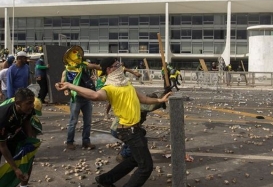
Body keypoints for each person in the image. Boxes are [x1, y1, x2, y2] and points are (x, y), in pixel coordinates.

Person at [55, 57, 172, 187]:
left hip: (135, 130)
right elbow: (95, 95)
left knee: (134, 159)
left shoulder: (127, 84)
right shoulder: (109, 88)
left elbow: (143, 99)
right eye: (116, 65)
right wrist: (70, 85)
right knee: (146, 167)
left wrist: (159, 101)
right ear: (109, 70)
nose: (120, 67)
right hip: (129, 131)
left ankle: (105, 180)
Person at [62, 46, 100, 150]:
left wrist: (104, 67)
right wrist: (65, 89)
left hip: (87, 98)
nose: (78, 56)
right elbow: (63, 83)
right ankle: (70, 142)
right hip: (76, 99)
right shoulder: (67, 71)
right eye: (75, 54)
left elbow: (94, 66)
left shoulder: (83, 66)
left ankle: (86, 142)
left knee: (87, 121)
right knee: (73, 122)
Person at [0, 88, 40, 187]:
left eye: (33, 102)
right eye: (29, 103)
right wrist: (15, 168)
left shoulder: (27, 109)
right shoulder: (4, 117)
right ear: (18, 103)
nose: (32, 106)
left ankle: (24, 186)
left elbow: (27, 121)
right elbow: (3, 146)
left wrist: (29, 139)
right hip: (2, 139)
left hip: (14, 134)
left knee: (28, 155)